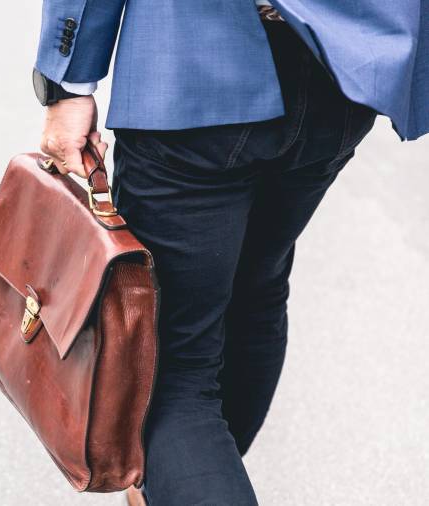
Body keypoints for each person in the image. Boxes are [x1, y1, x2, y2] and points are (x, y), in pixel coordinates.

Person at [32, 1, 427, 504]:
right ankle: (189, 475)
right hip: (340, 76)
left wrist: (68, 84)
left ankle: (188, 476)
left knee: (171, 365)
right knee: (255, 290)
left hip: (196, 73)